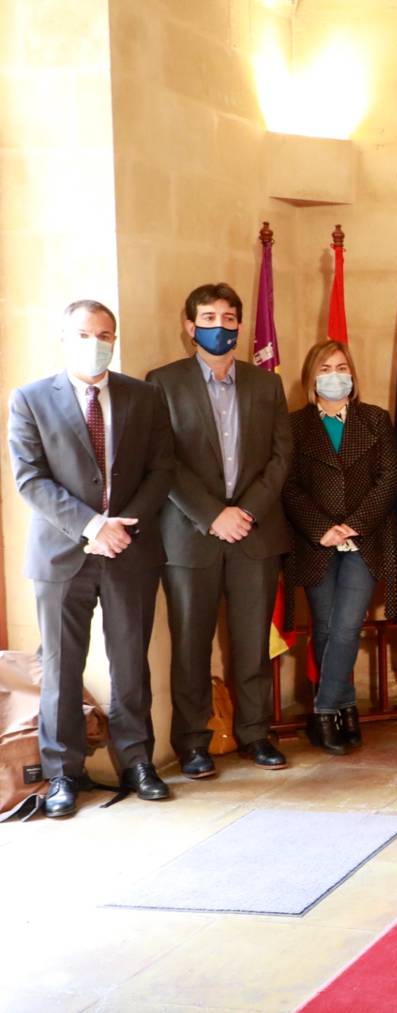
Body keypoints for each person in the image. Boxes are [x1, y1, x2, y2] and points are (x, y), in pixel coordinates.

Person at [8, 300, 175, 815]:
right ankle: (63, 774)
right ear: (64, 337)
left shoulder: (144, 397)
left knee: (130, 663)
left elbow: (161, 468)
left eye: (106, 334)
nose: (96, 342)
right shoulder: (30, 398)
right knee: (61, 667)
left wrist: (121, 528)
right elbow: (30, 478)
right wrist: (92, 526)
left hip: (130, 550)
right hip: (62, 556)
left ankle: (136, 761)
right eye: (85, 333)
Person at [148, 283, 294, 777]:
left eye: (228, 318)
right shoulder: (162, 382)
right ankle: (192, 742)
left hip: (255, 533)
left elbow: (281, 457)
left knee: (252, 642)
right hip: (192, 536)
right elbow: (162, 460)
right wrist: (212, 514)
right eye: (208, 318)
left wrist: (245, 511)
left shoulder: (265, 384)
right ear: (190, 326)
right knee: (191, 644)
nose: (219, 327)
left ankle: (256, 733)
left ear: (239, 325)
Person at [281, 341, 397, 755]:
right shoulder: (294, 425)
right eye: (326, 368)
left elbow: (389, 478)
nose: (335, 374)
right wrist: (324, 529)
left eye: (342, 366)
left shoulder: (374, 419)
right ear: (312, 377)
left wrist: (353, 525)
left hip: (365, 540)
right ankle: (346, 708)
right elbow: (289, 486)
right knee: (326, 628)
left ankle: (323, 710)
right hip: (315, 543)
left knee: (348, 625)